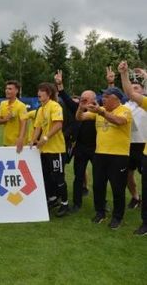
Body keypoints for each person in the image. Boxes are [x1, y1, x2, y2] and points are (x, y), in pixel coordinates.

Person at [76, 85, 132, 229]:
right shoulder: (100, 110)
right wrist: (81, 107)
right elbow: (80, 117)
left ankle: (117, 217)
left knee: (117, 188)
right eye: (103, 96)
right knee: (98, 186)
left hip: (118, 156)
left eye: (106, 97)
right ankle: (100, 212)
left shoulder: (125, 110)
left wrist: (101, 111)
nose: (103, 99)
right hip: (100, 154)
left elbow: (119, 121)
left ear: (116, 99)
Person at [54, 70, 97, 213]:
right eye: (81, 98)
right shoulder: (76, 109)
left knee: (100, 178)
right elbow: (66, 98)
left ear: (93, 100)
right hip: (80, 148)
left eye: (86, 99)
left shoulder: (100, 110)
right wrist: (60, 85)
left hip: (97, 148)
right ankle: (77, 204)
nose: (82, 101)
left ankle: (101, 204)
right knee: (78, 177)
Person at [31, 82, 69, 217]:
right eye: (38, 90)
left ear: (49, 93)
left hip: (56, 149)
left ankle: (65, 203)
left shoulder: (55, 106)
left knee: (58, 177)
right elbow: (37, 127)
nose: (39, 93)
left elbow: (58, 124)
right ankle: (52, 199)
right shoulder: (41, 109)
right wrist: (33, 140)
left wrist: (45, 138)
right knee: (46, 176)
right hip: (44, 150)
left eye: (42, 91)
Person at [119, 61, 147, 235]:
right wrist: (124, 74)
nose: (135, 91)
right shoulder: (129, 105)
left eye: (139, 88)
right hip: (136, 148)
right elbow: (128, 92)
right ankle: (144, 218)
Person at [123, 80, 146, 209]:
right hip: (128, 144)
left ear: (143, 90)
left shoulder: (145, 103)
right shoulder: (125, 106)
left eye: (136, 88)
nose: (133, 90)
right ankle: (136, 197)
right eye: (131, 88)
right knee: (127, 173)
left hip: (144, 144)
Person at [0, 80, 27, 151]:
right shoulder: (3, 104)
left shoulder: (21, 106)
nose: (7, 91)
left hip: (17, 143)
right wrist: (5, 119)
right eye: (6, 89)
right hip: (6, 142)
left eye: (10, 89)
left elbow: (24, 124)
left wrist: (20, 139)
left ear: (16, 91)